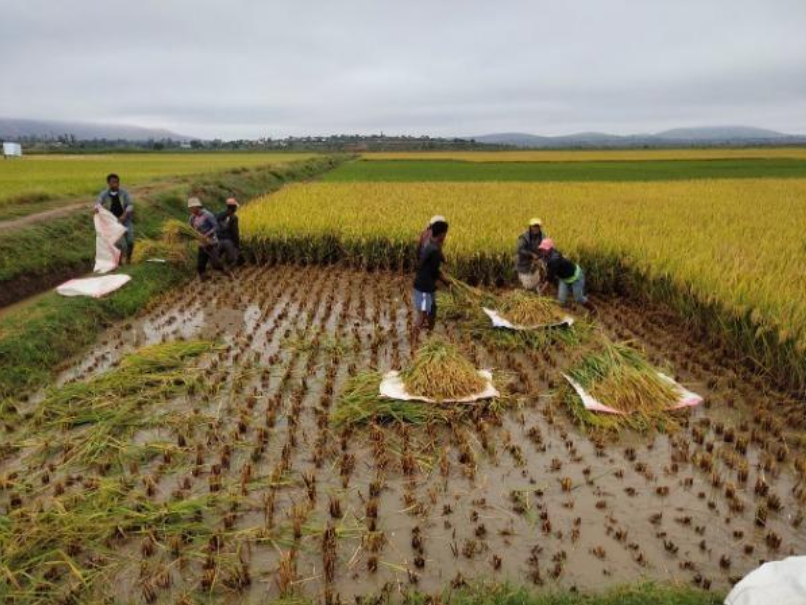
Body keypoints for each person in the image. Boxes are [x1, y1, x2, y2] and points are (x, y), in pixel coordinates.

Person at [536, 238, 595, 312]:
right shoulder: (546, 254)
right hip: (564, 279)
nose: (543, 251)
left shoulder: (555, 260)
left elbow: (549, 278)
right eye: (542, 249)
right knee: (561, 301)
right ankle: (568, 308)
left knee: (578, 298)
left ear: (550, 249)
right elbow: (540, 261)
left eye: (545, 249)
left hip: (576, 277)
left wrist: (541, 291)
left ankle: (593, 310)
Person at [413, 219, 450, 333]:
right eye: (445, 234)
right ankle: (413, 339)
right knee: (422, 315)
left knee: (432, 310)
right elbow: (435, 272)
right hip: (424, 286)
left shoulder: (430, 244)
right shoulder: (434, 250)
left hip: (425, 284)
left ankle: (430, 335)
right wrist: (447, 281)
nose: (445, 237)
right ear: (442, 234)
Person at [94, 173, 134, 263]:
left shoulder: (124, 193)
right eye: (113, 182)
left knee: (130, 241)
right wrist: (97, 207)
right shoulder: (104, 194)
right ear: (108, 183)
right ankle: (118, 261)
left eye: (117, 182)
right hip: (113, 222)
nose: (115, 184)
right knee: (118, 243)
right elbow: (98, 202)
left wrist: (124, 215)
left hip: (125, 220)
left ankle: (128, 259)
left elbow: (130, 205)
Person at [187, 197, 230, 280]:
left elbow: (216, 226)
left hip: (211, 242)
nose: (191, 210)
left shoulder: (207, 215)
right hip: (201, 244)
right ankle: (204, 278)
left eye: (192, 208)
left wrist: (207, 235)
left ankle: (226, 272)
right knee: (200, 265)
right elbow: (189, 228)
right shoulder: (192, 218)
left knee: (215, 264)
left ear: (197, 206)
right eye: (190, 208)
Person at [515, 217, 546, 291]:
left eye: (537, 226)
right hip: (524, 263)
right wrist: (531, 254)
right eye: (534, 226)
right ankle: (525, 288)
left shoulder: (542, 236)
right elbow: (519, 250)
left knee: (535, 280)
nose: (536, 228)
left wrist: (540, 256)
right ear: (530, 227)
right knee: (527, 286)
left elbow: (545, 248)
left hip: (535, 262)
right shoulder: (524, 237)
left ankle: (536, 287)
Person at [216, 197, 240, 267]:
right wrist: (237, 245)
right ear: (234, 207)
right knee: (233, 260)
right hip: (228, 241)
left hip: (218, 241)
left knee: (218, 259)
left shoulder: (219, 214)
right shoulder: (234, 217)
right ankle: (229, 273)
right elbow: (235, 232)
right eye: (236, 207)